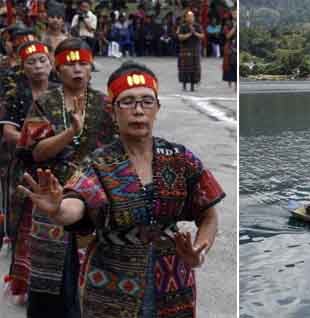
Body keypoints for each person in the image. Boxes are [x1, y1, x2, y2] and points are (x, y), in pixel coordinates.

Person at [19, 60, 225, 318]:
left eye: (146, 101)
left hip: (173, 281)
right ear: (113, 111)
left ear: (157, 108)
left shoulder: (179, 158)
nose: (138, 110)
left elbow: (208, 214)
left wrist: (199, 253)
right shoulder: (100, 162)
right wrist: (58, 208)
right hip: (110, 285)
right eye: (127, 102)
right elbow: (79, 203)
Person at [17, 37, 117, 318]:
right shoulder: (45, 103)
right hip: (51, 196)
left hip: (96, 198)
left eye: (83, 64)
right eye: (70, 65)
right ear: (57, 70)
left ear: (91, 68)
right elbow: (33, 152)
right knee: (51, 282)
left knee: (95, 277)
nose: (77, 70)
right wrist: (70, 133)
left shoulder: (107, 105)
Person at [0, 40, 57, 304]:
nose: (37, 67)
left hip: (58, 167)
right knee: (26, 225)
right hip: (25, 168)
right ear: (23, 67)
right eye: (31, 62)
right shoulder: (17, 95)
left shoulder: (61, 92)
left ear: (51, 63)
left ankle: (58, 282)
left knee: (57, 222)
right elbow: (8, 132)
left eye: (42, 61)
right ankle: (24, 283)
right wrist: (34, 140)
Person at [177, 10, 204, 92]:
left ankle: (192, 86)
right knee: (184, 69)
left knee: (194, 69)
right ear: (185, 18)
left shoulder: (198, 26)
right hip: (185, 50)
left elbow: (202, 36)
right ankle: (184, 85)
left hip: (195, 50)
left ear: (194, 18)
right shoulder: (182, 26)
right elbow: (180, 37)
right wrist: (189, 34)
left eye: (192, 16)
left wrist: (195, 33)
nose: (190, 18)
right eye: (188, 17)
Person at [222, 10, 236, 90]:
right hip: (230, 46)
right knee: (229, 64)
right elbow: (227, 36)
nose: (235, 15)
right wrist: (235, 27)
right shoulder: (228, 24)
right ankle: (230, 81)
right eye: (234, 13)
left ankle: (236, 85)